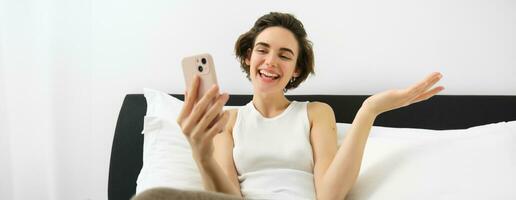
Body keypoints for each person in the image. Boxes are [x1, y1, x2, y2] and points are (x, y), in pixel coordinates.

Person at [134, 12, 444, 200]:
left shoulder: (316, 113)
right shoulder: (227, 121)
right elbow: (224, 197)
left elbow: (329, 195)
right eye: (262, 50)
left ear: (296, 69)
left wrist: (369, 111)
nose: (270, 62)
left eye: (284, 55)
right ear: (248, 57)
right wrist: (201, 155)